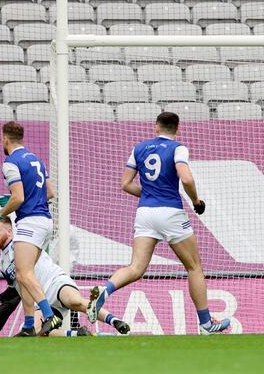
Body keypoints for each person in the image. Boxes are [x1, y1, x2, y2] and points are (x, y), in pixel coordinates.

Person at [87, 112, 230, 335]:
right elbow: (187, 178)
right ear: (177, 128)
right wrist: (195, 200)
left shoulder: (139, 148)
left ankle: (103, 294)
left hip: (145, 212)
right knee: (194, 267)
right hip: (170, 212)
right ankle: (206, 324)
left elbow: (125, 184)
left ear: (156, 127)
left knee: (135, 268)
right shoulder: (178, 148)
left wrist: (149, 195)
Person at [0, 216, 130, 337]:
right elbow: (15, 288)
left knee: (74, 301)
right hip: (40, 299)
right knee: (38, 332)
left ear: (9, 231)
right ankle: (77, 334)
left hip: (55, 281)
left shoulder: (23, 243)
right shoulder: (2, 263)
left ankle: (115, 321)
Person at [0, 121, 60, 335]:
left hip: (30, 221)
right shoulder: (36, 160)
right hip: (45, 221)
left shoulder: (10, 162)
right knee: (23, 275)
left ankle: (49, 316)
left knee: (24, 273)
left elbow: (18, 197)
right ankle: (29, 325)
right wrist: (15, 199)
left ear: (5, 138)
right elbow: (50, 193)